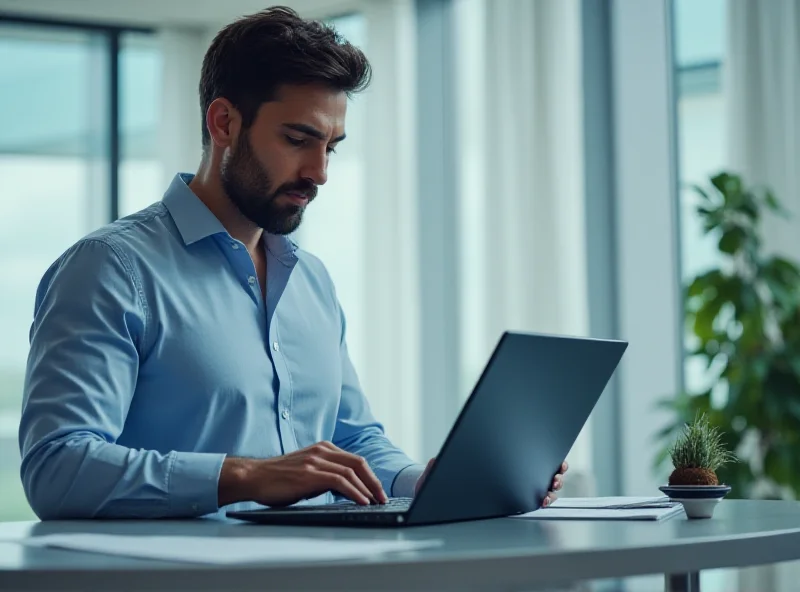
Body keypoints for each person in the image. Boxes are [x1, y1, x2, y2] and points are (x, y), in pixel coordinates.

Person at [18, 6, 566, 520]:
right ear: (224, 123)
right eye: (298, 139)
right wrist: (244, 476)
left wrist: (419, 480)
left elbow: (351, 440)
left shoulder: (311, 281)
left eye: (331, 146)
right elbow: (57, 468)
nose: (320, 171)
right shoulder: (111, 269)